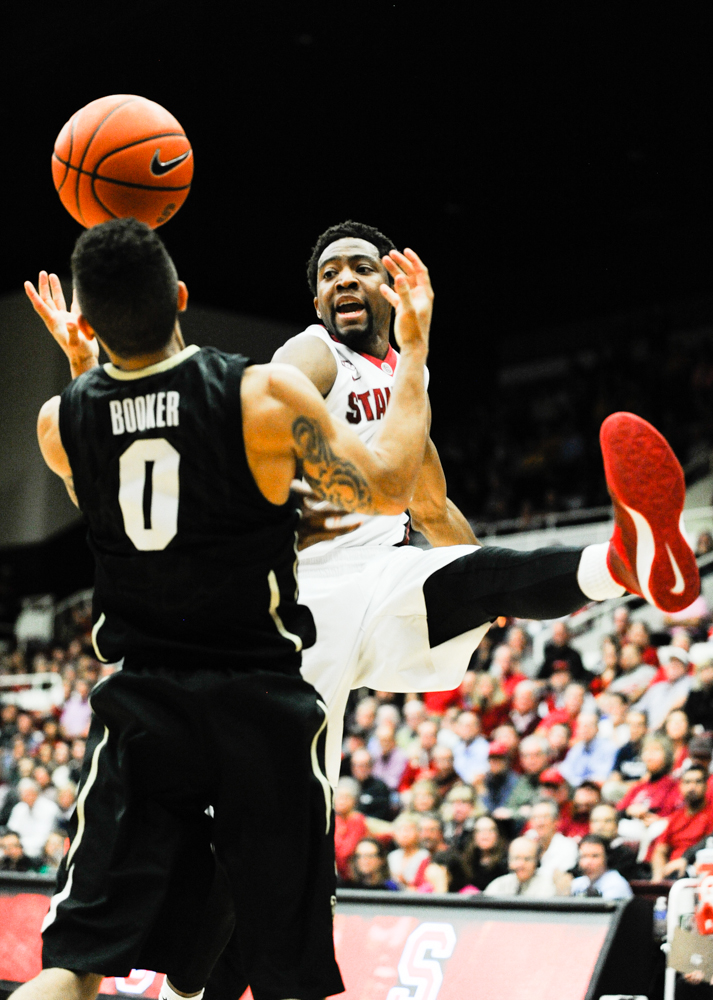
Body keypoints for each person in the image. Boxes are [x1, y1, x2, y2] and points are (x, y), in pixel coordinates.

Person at [17, 217, 433, 1000]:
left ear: (94, 323)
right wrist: (411, 349)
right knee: (285, 974)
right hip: (258, 703)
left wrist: (81, 368)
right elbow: (387, 485)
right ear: (180, 296)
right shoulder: (259, 393)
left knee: (74, 969)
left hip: (142, 702)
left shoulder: (58, 423)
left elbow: (96, 492)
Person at [270, 219, 699, 789]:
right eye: (329, 274)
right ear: (318, 299)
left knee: (486, 573)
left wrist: (496, 598)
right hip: (305, 590)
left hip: (379, 574)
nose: (343, 279)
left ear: (392, 285)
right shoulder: (314, 351)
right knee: (295, 794)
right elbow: (257, 407)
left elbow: (431, 508)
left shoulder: (404, 376)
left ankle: (623, 561)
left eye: (361, 268)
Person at [651, 766, 713, 881]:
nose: (692, 787)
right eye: (687, 782)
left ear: (706, 786)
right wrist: (658, 877)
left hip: (699, 870)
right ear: (680, 786)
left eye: (697, 782)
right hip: (672, 871)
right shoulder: (676, 817)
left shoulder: (711, 813)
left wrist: (685, 859)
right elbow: (660, 850)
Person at [633, 646, 693, 731]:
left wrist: (659, 726)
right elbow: (638, 708)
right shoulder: (657, 687)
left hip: (668, 729)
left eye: (678, 663)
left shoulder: (688, 682)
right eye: (671, 663)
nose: (673, 666)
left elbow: (679, 703)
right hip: (650, 730)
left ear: (685, 668)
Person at [483, 837, 557, 898]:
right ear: (508, 861)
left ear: (537, 862)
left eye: (527, 859)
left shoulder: (546, 886)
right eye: (516, 858)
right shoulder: (498, 885)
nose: (521, 864)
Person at [559, 712, 618, 788]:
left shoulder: (608, 747)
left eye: (588, 726)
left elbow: (602, 776)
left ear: (597, 729)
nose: (584, 729)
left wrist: (579, 782)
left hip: (595, 788)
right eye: (581, 726)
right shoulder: (577, 748)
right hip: (576, 786)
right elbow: (565, 770)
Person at [570, 835, 633, 899]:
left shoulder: (616, 885)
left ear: (607, 858)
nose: (588, 862)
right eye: (584, 856)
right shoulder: (576, 884)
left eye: (595, 856)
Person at [527, 800, 579, 877]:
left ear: (556, 821)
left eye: (545, 817)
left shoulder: (568, 847)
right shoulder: (525, 842)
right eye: (535, 818)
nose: (540, 823)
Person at [462, 815, 510, 891]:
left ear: (497, 835)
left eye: (490, 830)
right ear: (474, 835)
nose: (485, 834)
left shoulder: (505, 862)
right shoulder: (468, 861)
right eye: (480, 830)